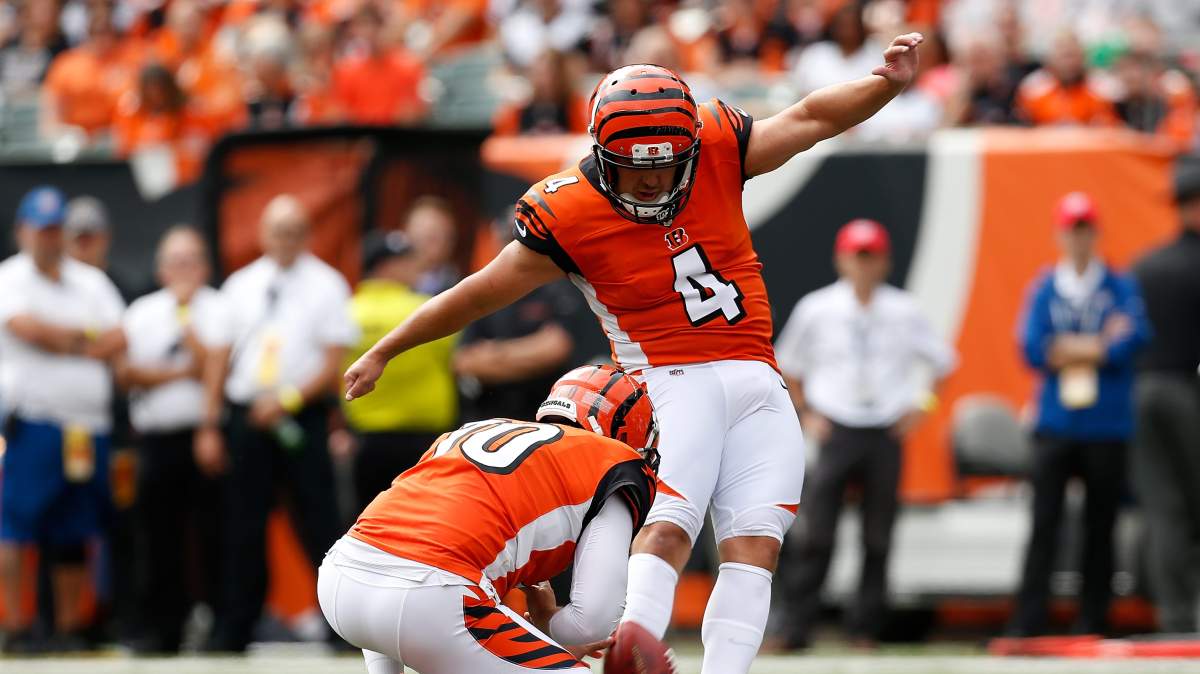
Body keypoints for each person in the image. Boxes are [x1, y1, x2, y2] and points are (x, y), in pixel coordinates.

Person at [345, 33, 927, 673]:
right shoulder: (570, 211)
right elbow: (478, 292)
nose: (651, 178)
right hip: (670, 378)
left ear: (690, 148)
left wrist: (885, 84)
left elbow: (811, 118)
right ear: (602, 154)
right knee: (671, 521)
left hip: (758, 375)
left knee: (756, 546)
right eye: (634, 165)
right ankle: (635, 643)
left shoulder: (717, 148)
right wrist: (388, 348)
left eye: (665, 163)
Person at [318, 364, 660, 673]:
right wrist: (548, 624)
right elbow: (592, 624)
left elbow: (398, 547)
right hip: (430, 595)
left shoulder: (472, 430)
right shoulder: (613, 461)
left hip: (342, 578)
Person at [772, 219, 956, 649]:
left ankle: (865, 628)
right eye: (858, 256)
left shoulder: (904, 310)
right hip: (836, 427)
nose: (864, 266)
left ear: (885, 262)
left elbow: (942, 362)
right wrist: (807, 413)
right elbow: (788, 365)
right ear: (842, 260)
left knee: (878, 535)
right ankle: (797, 627)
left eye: (871, 257)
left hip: (884, 430)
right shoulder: (818, 308)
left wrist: (922, 408)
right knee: (818, 533)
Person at [203, 194, 357, 652]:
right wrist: (210, 422)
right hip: (248, 415)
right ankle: (235, 628)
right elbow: (219, 356)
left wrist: (287, 401)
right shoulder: (241, 285)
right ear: (263, 234)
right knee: (243, 525)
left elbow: (332, 361)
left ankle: (340, 626)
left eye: (293, 231)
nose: (284, 240)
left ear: (306, 235)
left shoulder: (327, 284)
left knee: (318, 520)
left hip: (300, 416)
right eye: (277, 231)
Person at [1010, 192, 1150, 637]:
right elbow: (1033, 347)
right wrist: (1097, 344)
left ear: (1096, 233)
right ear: (1059, 234)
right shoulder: (1046, 286)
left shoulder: (1118, 284)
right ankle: (1030, 619)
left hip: (1106, 424)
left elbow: (1135, 338)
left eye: (1085, 229)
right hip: (1055, 423)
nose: (1078, 238)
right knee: (1044, 523)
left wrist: (1069, 347)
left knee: (1100, 525)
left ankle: (1094, 618)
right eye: (1072, 229)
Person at [0, 186, 126, 652]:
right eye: (41, 230)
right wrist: (85, 339)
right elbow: (28, 331)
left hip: (85, 427)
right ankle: (15, 624)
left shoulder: (89, 281)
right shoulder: (10, 278)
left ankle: (70, 626)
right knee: (18, 523)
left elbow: (119, 336)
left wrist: (67, 340)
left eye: (55, 230)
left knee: (75, 526)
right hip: (35, 420)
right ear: (22, 231)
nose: (49, 239)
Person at [115, 226, 229, 653]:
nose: (183, 269)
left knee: (213, 534)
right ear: (161, 269)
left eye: (191, 260)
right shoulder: (142, 311)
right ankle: (162, 629)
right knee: (158, 536)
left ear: (205, 266)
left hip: (205, 434)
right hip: (157, 438)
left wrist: (190, 335)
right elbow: (126, 372)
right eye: (175, 261)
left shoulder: (219, 307)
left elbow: (220, 367)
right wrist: (185, 370)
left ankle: (218, 626)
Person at [342, 230, 457, 512]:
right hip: (425, 439)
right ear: (385, 267)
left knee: (368, 519)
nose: (416, 266)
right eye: (407, 260)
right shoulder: (426, 310)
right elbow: (459, 357)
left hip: (366, 438)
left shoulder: (347, 313)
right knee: (422, 517)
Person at [1131, 166, 1200, 633]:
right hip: (1186, 392)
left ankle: (1174, 615)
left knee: (1162, 509)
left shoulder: (1146, 266)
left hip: (1140, 393)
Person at [455, 214, 578, 423]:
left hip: (542, 412)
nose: (515, 251)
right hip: (491, 413)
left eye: (521, 243)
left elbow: (555, 348)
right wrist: (528, 354)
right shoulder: (484, 291)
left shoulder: (556, 288)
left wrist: (495, 353)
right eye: (508, 241)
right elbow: (463, 361)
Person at [1014, 31, 1115, 128]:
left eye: (1072, 55)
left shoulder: (1101, 89)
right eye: (1063, 55)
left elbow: (1110, 129)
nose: (1068, 63)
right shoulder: (1033, 89)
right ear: (1050, 58)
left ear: (1082, 57)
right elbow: (1022, 128)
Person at [404, 196, 460, 296]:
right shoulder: (381, 268)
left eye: (432, 237)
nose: (422, 244)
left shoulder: (456, 289)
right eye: (420, 233)